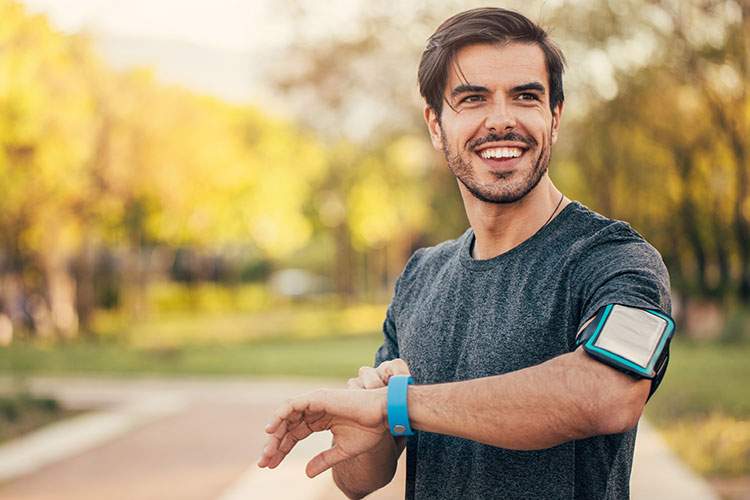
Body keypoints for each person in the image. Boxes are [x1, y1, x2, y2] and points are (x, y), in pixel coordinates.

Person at [257, 7, 673, 500]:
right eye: (473, 99)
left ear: (554, 117)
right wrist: (370, 432)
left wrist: (400, 405)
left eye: (525, 96)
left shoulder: (614, 260)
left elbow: (606, 395)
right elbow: (359, 479)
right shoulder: (421, 276)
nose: (501, 119)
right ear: (435, 125)